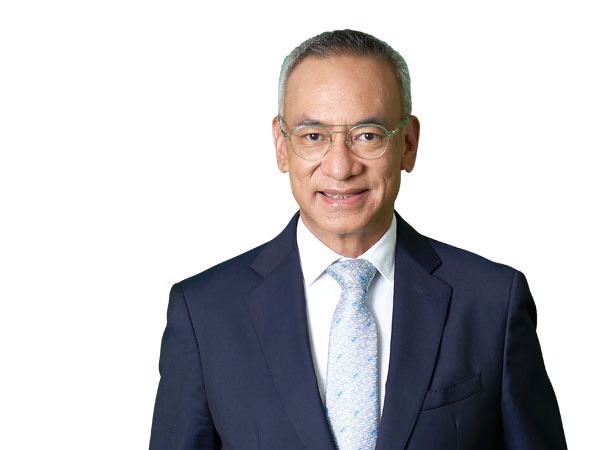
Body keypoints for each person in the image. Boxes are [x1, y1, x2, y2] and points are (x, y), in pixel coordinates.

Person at [150, 29, 567, 450]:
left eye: (368, 135)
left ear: (408, 144)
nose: (340, 167)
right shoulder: (204, 314)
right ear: (281, 145)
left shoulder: (492, 302)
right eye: (313, 136)